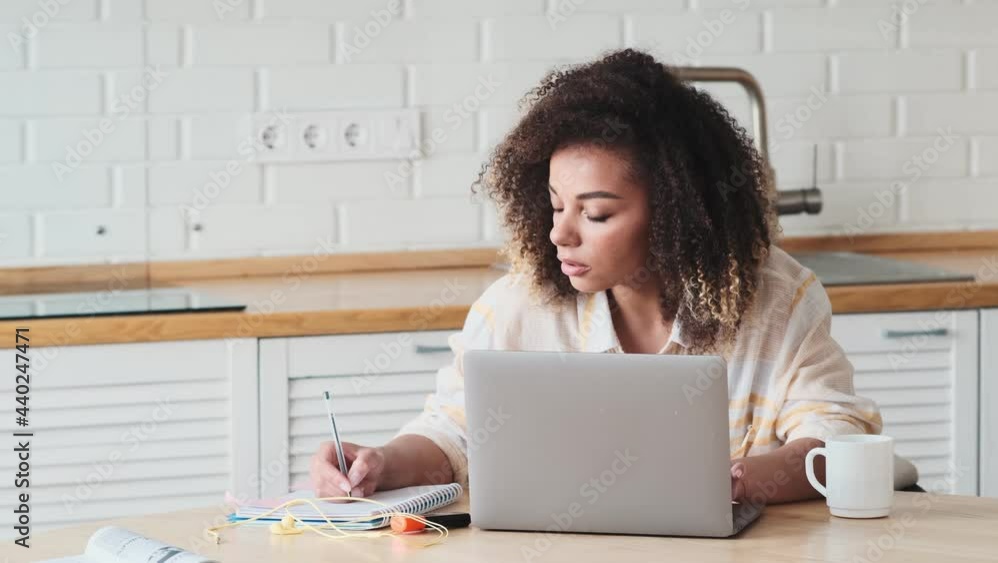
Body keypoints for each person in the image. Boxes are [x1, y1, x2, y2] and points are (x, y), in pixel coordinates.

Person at [310, 48, 882, 505]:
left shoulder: (779, 301)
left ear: (676, 213)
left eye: (597, 213)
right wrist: (381, 462)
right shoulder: (516, 307)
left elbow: (835, 442)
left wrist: (736, 479)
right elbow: (454, 436)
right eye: (557, 204)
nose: (561, 234)